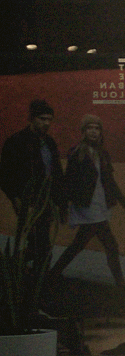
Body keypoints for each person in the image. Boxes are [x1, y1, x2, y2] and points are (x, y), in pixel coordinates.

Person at [51, 115, 125, 287]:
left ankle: (53, 274)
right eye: (89, 128)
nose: (93, 132)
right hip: (87, 207)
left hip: (100, 205)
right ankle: (120, 283)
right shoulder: (76, 153)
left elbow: (110, 181)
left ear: (100, 132)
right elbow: (68, 181)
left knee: (79, 244)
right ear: (83, 131)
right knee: (110, 244)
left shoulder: (102, 153)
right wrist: (63, 207)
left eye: (97, 128)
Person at [0, 99, 66, 274]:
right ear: (31, 118)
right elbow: (5, 175)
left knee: (40, 245)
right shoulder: (16, 141)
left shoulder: (50, 143)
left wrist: (60, 203)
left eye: (49, 119)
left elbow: (56, 173)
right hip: (27, 202)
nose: (46, 123)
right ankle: (20, 270)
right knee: (40, 244)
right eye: (42, 118)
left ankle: (23, 271)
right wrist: (16, 199)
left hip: (47, 202)